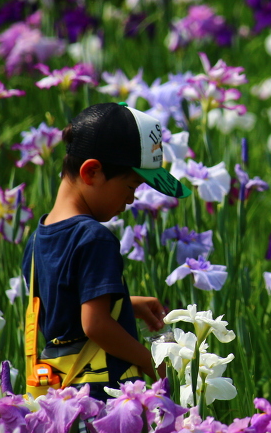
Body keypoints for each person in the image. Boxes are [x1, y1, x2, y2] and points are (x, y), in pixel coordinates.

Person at [22, 101, 190, 401]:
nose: (130, 201)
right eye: (130, 187)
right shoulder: (95, 238)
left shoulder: (37, 238)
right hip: (100, 397)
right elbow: (95, 324)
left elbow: (66, 309)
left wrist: (125, 304)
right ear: (93, 172)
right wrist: (151, 363)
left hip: (58, 397)